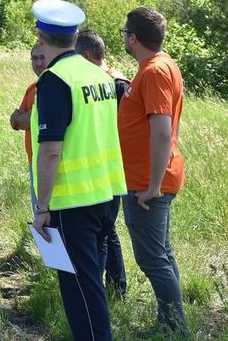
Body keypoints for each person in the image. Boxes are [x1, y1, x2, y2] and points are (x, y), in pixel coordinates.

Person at [30, 0, 127, 341]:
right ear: (73, 37)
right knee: (91, 282)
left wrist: (42, 208)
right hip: (106, 193)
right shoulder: (96, 73)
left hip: (73, 203)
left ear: (41, 36)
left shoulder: (55, 80)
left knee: (81, 290)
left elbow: (51, 150)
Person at [118, 7, 187, 334]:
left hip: (148, 184)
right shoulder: (156, 66)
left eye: (125, 34)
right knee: (162, 254)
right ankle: (170, 323)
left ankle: (176, 329)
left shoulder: (155, 71)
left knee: (152, 260)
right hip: (149, 178)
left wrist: (153, 186)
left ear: (133, 37)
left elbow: (161, 130)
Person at [75, 29, 128, 299]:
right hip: (111, 170)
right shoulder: (114, 81)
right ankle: (116, 288)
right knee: (108, 231)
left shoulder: (113, 84)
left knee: (103, 234)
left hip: (108, 170)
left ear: (85, 56)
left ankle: (106, 291)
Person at [10, 45, 48, 214]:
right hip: (33, 162)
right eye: (35, 58)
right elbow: (16, 123)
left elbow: (29, 119)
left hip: (51, 162)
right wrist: (21, 119)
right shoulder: (32, 89)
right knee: (39, 214)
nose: (39, 63)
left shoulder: (57, 86)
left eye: (42, 57)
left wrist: (25, 118)